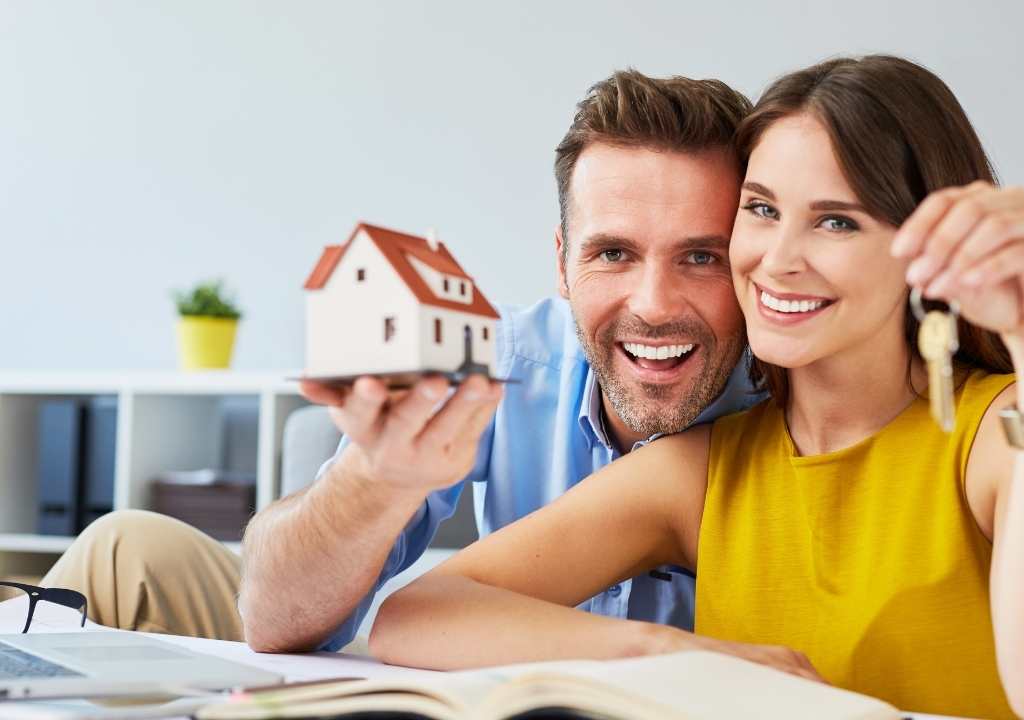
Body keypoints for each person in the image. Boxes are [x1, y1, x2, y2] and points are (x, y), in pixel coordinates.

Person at [367, 56, 1024, 720]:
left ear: (923, 247)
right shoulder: (703, 470)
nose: (776, 258)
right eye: (761, 210)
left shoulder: (1002, 431)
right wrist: (667, 653)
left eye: (836, 222)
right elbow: (416, 616)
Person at [39, 69, 765, 653]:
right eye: (613, 253)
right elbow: (278, 619)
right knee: (122, 545)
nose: (654, 303)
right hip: (439, 668)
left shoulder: (794, 395)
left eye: (701, 257)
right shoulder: (501, 357)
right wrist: (377, 478)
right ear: (562, 264)